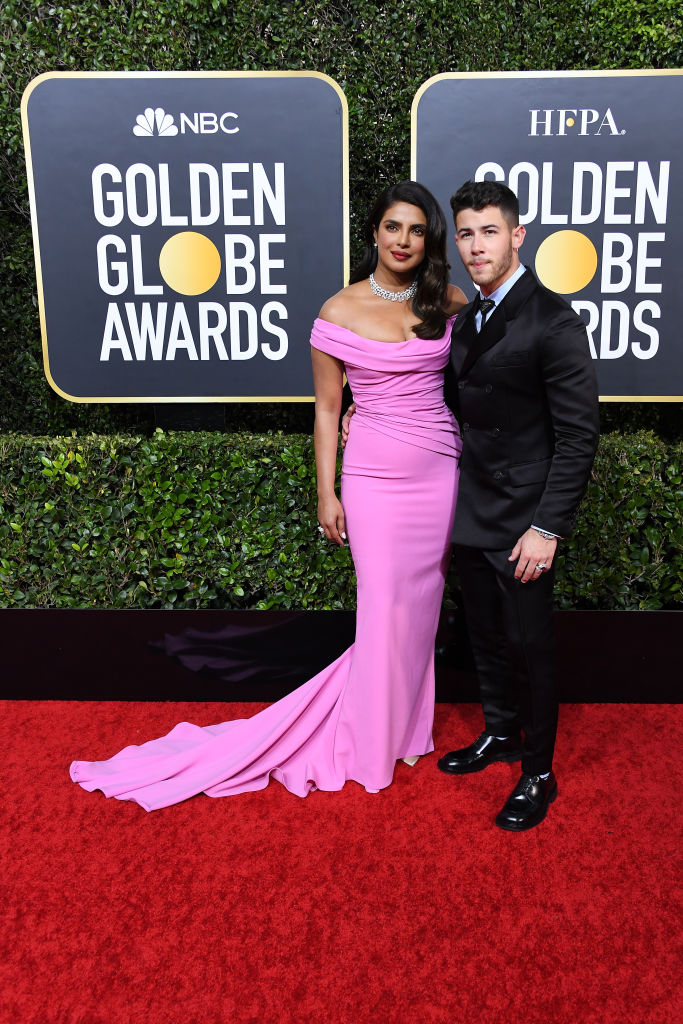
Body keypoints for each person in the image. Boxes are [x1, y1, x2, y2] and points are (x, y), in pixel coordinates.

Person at [69, 181, 466, 810]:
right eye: (393, 227)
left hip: (439, 473)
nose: (404, 241)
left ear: (430, 239)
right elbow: (327, 412)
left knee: (421, 609)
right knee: (382, 607)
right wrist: (326, 493)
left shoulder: (448, 300)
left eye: (417, 231)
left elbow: (474, 385)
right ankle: (369, 737)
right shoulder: (338, 311)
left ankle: (407, 729)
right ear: (374, 233)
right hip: (374, 482)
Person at [437, 180, 600, 831]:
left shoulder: (552, 318)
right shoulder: (467, 316)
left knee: (531, 647)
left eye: (489, 232)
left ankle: (538, 771)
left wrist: (545, 528)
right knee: (484, 637)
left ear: (516, 236)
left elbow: (578, 434)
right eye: (466, 234)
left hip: (524, 522)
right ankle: (500, 734)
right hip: (472, 510)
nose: (476, 246)